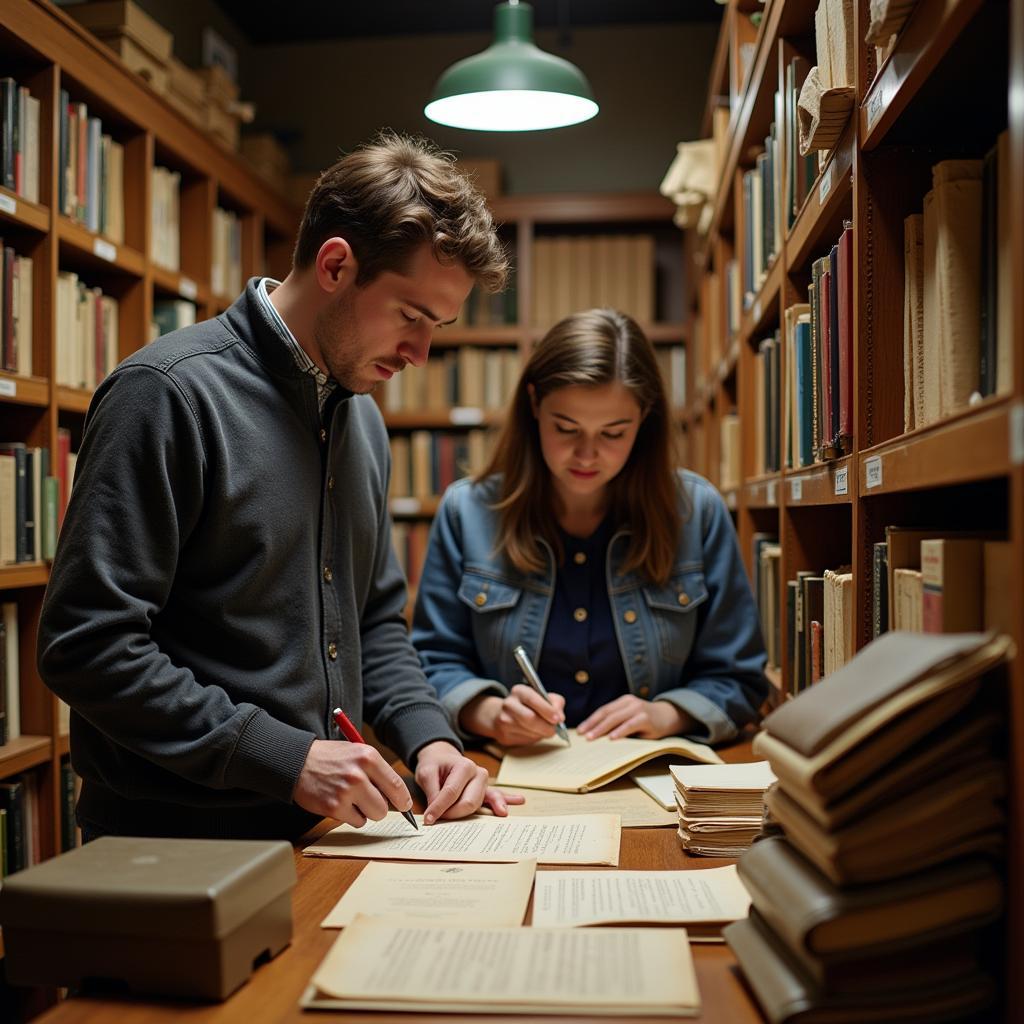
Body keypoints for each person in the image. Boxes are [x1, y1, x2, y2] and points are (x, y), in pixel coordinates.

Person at [37, 132, 523, 841]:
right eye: (411, 317)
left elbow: (376, 623)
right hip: (172, 845)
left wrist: (431, 740)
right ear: (335, 265)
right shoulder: (167, 395)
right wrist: (286, 757)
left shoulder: (362, 419)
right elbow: (86, 645)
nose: (422, 353)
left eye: (438, 327)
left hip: (320, 834)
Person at [412, 308, 768, 749]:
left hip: (653, 776)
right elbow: (433, 662)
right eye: (566, 429)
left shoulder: (698, 513)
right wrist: (491, 713)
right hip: (511, 776)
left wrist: (666, 714)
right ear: (534, 404)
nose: (586, 454)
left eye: (614, 433)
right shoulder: (467, 511)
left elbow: (740, 677)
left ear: (645, 420)